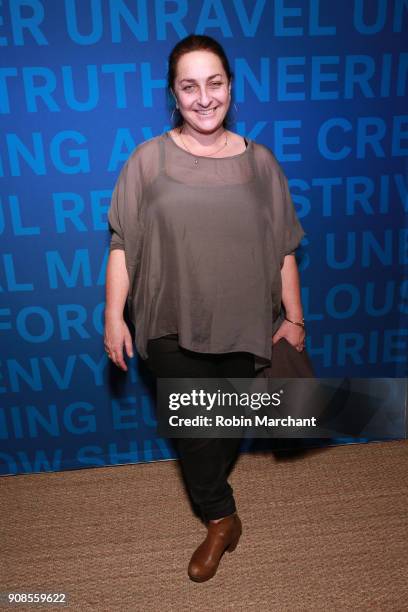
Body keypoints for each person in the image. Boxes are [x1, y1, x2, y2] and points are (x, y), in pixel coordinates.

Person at [104, 34, 306, 582]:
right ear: (174, 94)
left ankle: (217, 504)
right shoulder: (147, 160)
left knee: (226, 425)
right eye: (189, 85)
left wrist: (294, 318)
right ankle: (220, 518)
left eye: (213, 83)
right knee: (195, 429)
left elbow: (284, 245)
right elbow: (122, 243)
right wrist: (113, 317)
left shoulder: (261, 163)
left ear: (230, 88)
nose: (203, 97)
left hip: (244, 324)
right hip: (169, 321)